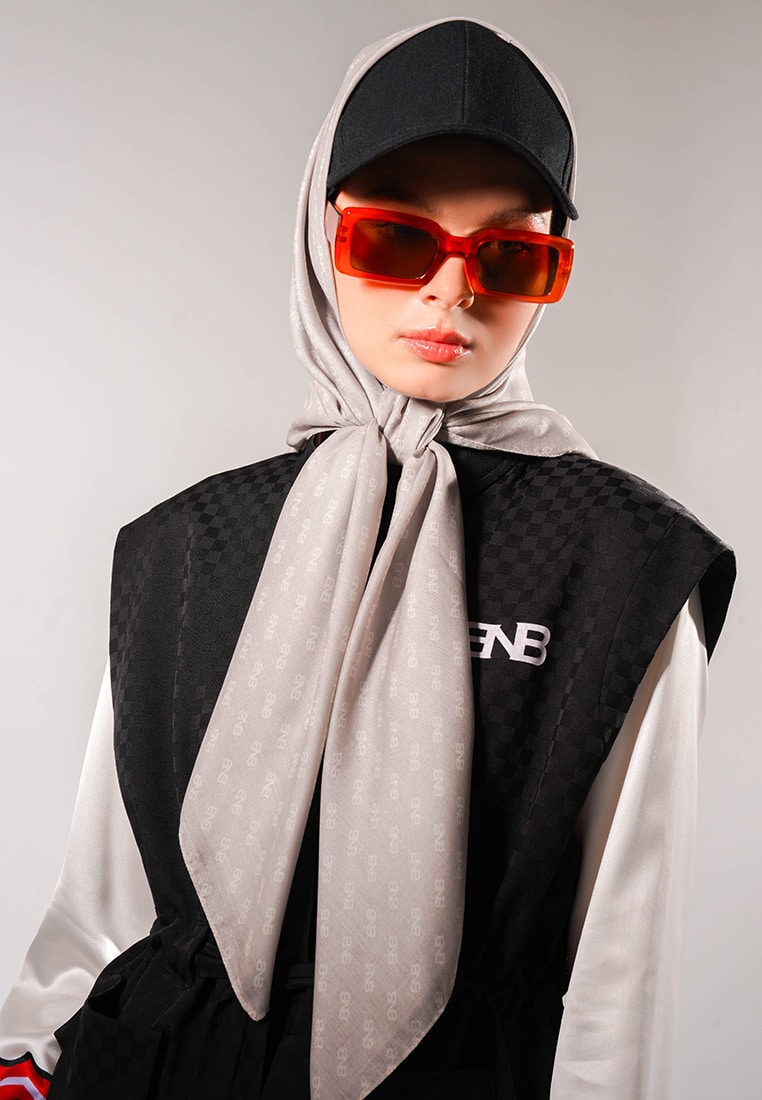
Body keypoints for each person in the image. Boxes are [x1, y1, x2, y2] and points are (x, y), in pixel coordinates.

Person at [0, 17, 735, 1100]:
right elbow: (100, 911)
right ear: (322, 233)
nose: (451, 291)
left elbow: (620, 983)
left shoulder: (625, 565)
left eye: (510, 255)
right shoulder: (184, 544)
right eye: (395, 241)